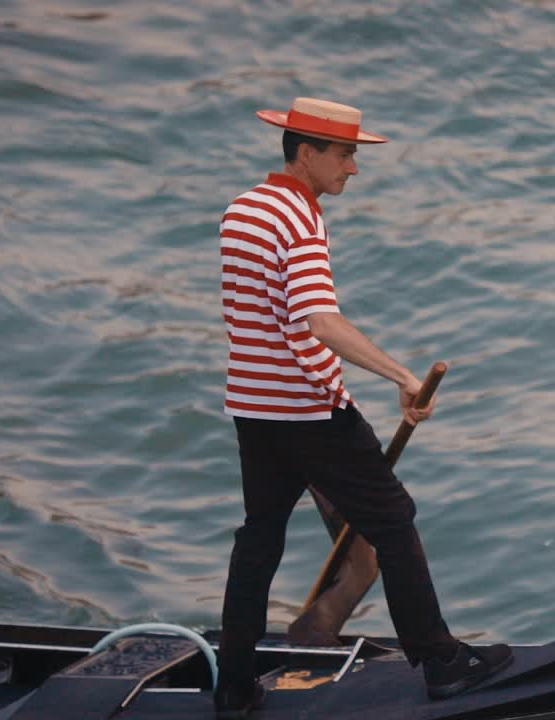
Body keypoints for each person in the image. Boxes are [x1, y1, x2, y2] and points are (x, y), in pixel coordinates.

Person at [214, 97, 512, 718]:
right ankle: (441, 663)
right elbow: (319, 320)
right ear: (306, 153)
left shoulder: (242, 209)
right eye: (345, 154)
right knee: (395, 522)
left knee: (259, 540)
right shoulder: (300, 219)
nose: (352, 167)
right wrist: (403, 376)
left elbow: (257, 315)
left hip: (254, 408)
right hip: (309, 411)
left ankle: (234, 686)